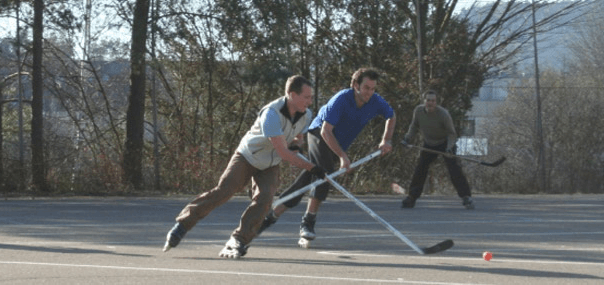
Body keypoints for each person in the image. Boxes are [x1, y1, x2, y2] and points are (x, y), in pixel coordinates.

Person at [163, 75, 322, 259]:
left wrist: (296, 143)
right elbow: (284, 152)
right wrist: (312, 168)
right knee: (225, 190)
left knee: (265, 199)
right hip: (248, 156)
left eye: (311, 97)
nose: (310, 101)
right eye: (306, 97)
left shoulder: (306, 115)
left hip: (270, 163)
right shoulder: (271, 113)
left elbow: (297, 138)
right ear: (292, 95)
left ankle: (239, 240)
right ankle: (182, 225)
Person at [258, 67, 395, 246]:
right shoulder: (342, 100)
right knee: (325, 173)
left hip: (335, 143)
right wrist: (343, 157)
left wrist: (386, 140)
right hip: (318, 134)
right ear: (355, 85)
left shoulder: (376, 101)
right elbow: (326, 131)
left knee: (309, 177)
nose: (369, 92)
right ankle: (308, 222)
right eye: (366, 87)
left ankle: (273, 214)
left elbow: (391, 116)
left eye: (372, 88)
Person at [400, 90, 474, 209]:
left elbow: (452, 134)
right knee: (420, 168)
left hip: (445, 143)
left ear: (436, 102)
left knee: (454, 168)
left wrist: (449, 148)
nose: (430, 103)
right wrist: (407, 139)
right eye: (428, 100)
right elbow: (414, 126)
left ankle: (466, 197)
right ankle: (411, 198)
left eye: (433, 101)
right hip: (429, 143)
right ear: (424, 101)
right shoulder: (418, 111)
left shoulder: (443, 114)